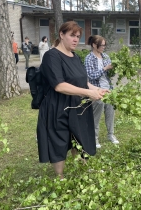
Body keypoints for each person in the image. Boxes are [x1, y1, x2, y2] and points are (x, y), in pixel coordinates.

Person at [36, 21, 107, 179]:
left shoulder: (75, 56)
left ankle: (82, 169)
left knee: (79, 137)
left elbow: (82, 81)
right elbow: (59, 86)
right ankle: (60, 177)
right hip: (57, 105)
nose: (76, 39)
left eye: (78, 36)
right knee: (59, 139)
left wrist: (96, 89)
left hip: (77, 105)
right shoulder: (51, 56)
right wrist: (88, 93)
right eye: (72, 35)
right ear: (61, 35)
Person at [84, 35, 119, 148]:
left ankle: (111, 134)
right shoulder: (89, 58)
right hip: (96, 90)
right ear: (94, 45)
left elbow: (109, 75)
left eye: (105, 45)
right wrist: (105, 69)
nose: (104, 47)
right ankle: (95, 138)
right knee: (96, 115)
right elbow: (90, 75)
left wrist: (114, 68)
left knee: (110, 112)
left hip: (108, 89)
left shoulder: (105, 57)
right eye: (102, 45)